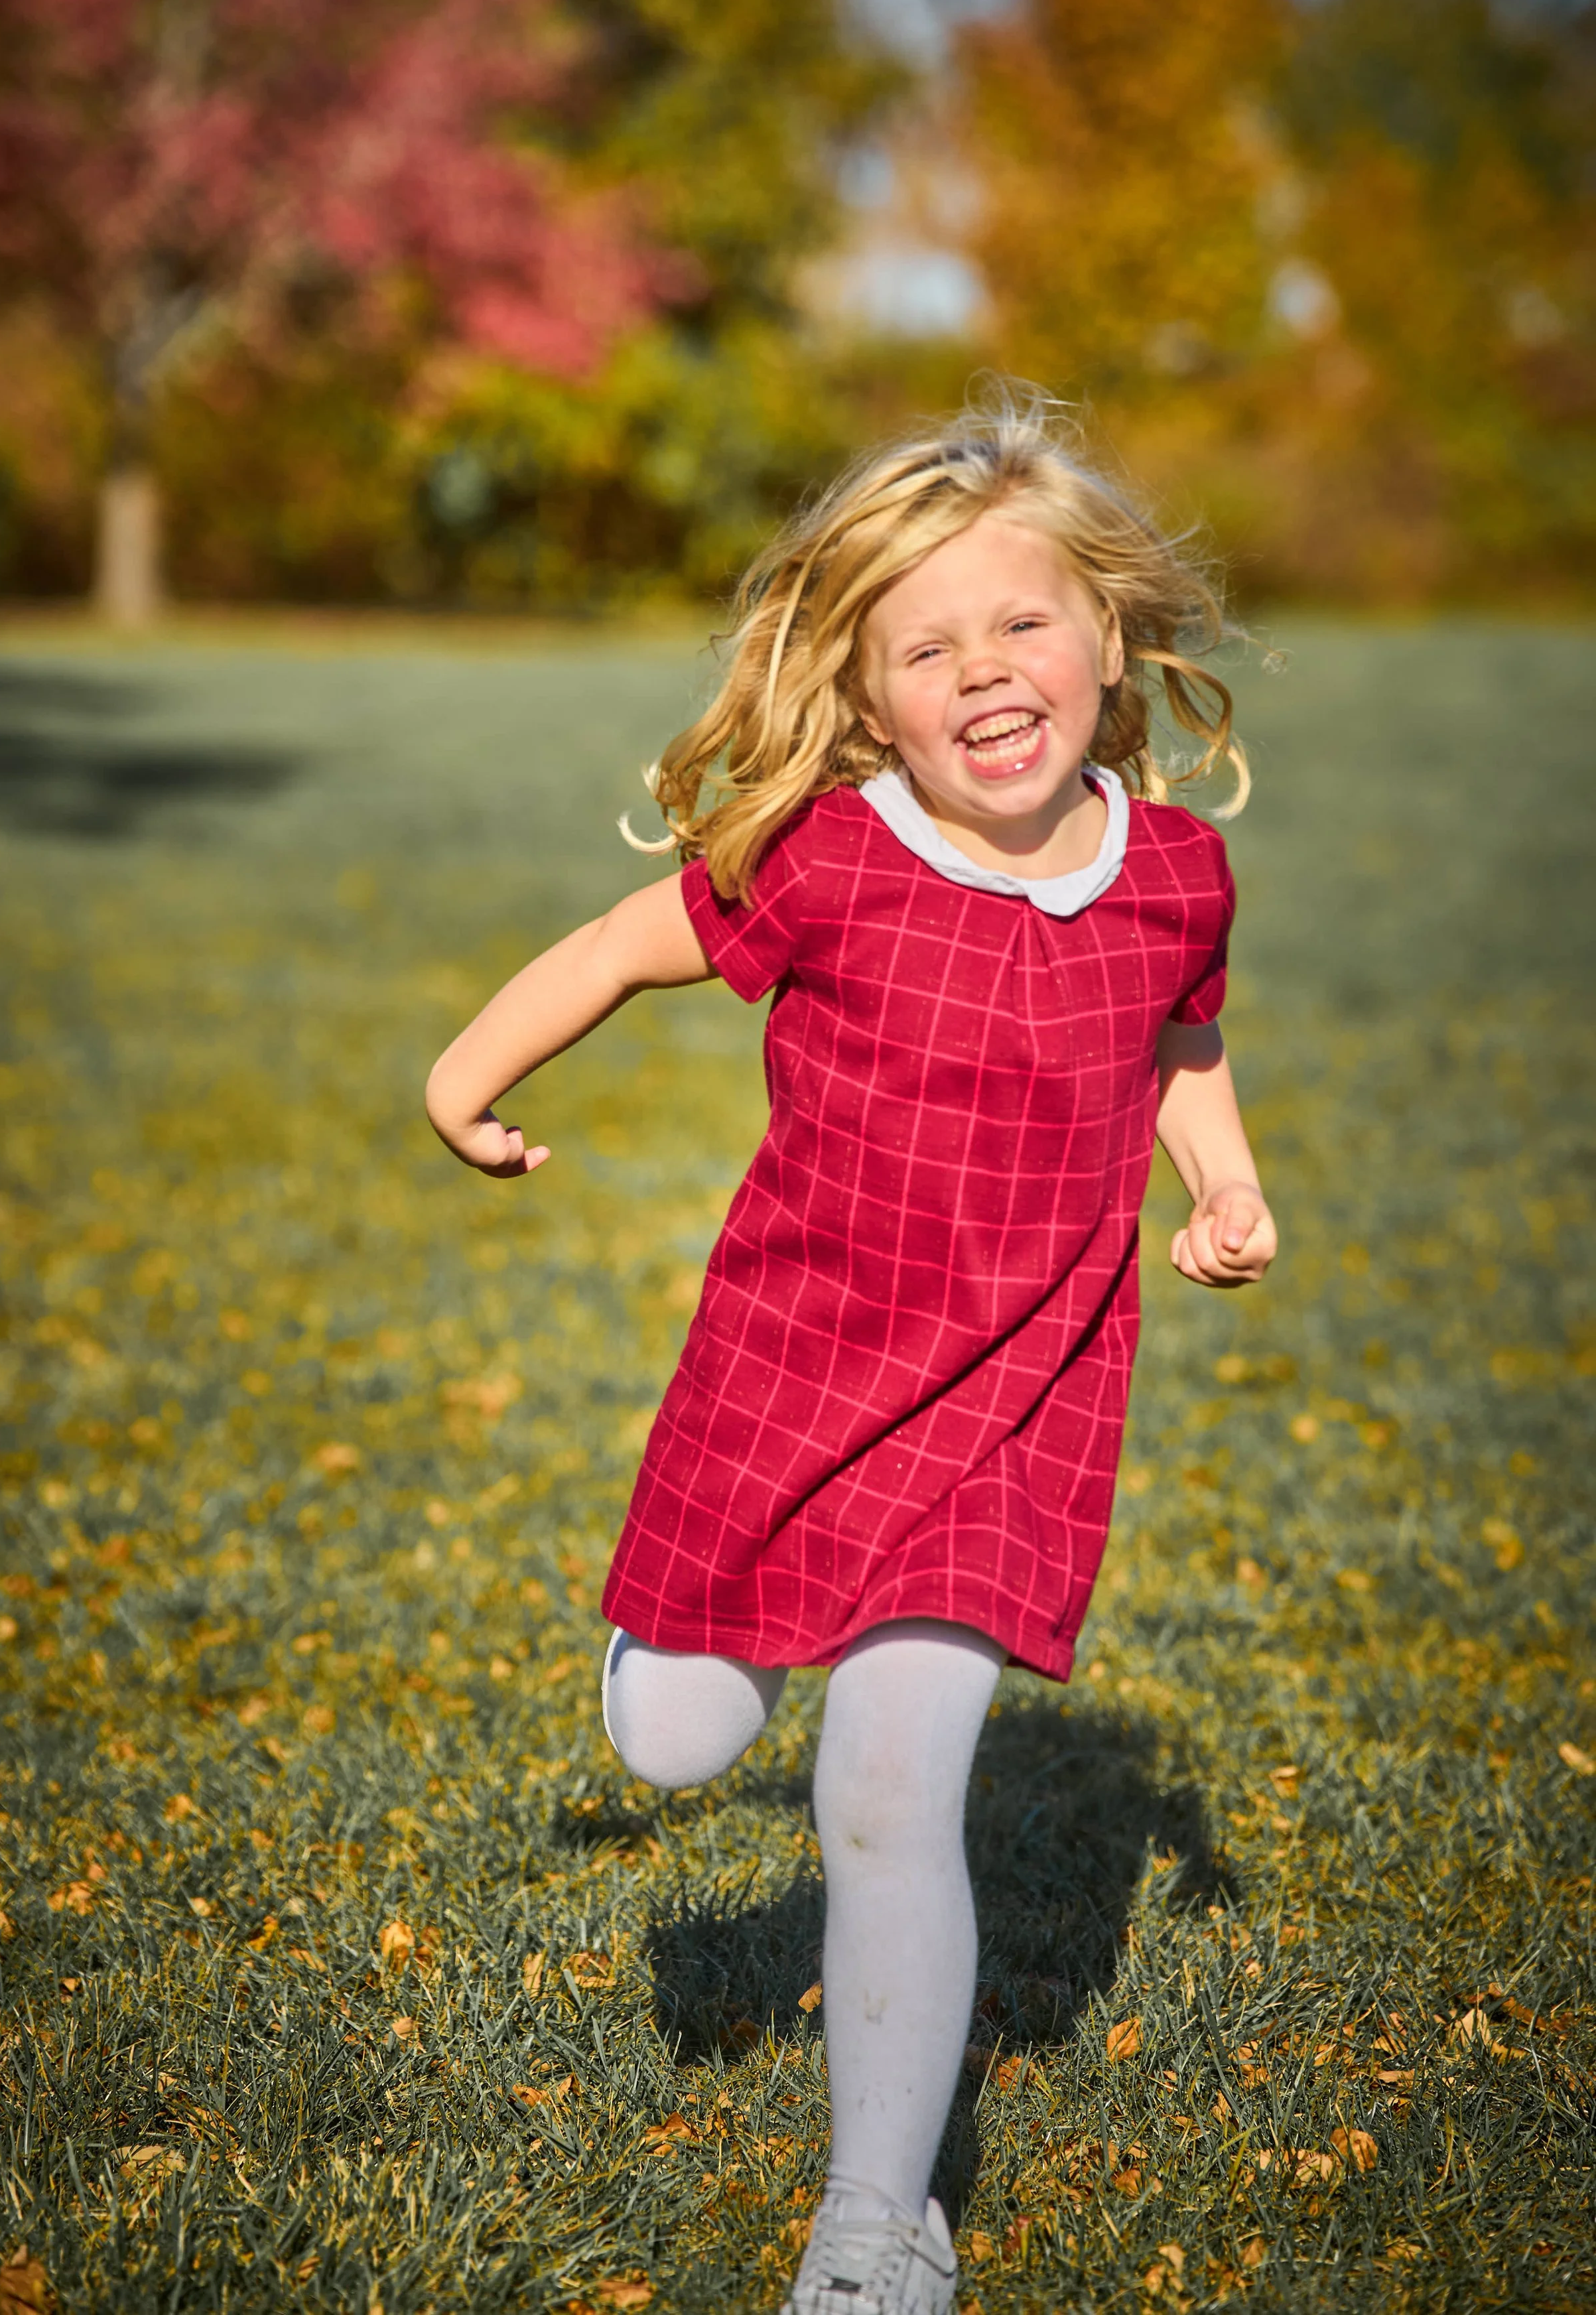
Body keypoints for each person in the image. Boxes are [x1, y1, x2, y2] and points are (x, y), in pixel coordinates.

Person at [425, 390, 1278, 2315]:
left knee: (888, 1787)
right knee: (680, 1735)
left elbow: (1177, 1043)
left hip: (1014, 1399)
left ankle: (874, 2218)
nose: (985, 668)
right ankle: (677, 1642)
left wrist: (1220, 1185)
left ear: (1113, 639)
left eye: (1023, 620)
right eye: (926, 643)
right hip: (791, 1365)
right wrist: (462, 1078)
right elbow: (623, 948)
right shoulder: (827, 858)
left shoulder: (1170, 880)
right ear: (871, 697)